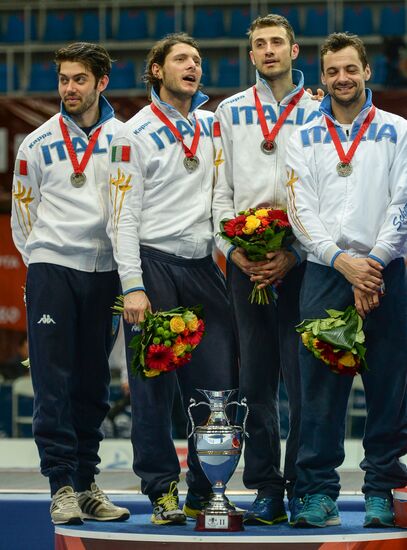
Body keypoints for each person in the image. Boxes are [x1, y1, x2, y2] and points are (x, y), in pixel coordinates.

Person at [108, 33, 238, 525]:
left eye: (198, 60)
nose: (193, 66)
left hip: (205, 266)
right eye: (182, 58)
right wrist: (133, 284)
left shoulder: (213, 125)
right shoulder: (131, 132)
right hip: (153, 266)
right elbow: (123, 216)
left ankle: (206, 490)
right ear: (157, 70)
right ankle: (161, 490)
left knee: (217, 388)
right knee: (152, 388)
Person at [286, 32, 407, 528]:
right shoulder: (302, 136)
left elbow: (403, 202)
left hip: (386, 271)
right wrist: (342, 262)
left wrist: (372, 263)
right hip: (325, 272)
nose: (342, 78)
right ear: (322, 76)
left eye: (350, 69)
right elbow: (299, 210)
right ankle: (316, 493)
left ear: (366, 72)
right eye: (333, 71)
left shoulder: (398, 130)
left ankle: (381, 488)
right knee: (319, 390)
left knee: (389, 386)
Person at [11, 42, 130, 526]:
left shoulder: (125, 138)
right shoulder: (36, 142)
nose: (69, 88)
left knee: (94, 384)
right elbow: (24, 216)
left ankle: (86, 483)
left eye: (79, 79)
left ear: (101, 83)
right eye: (63, 79)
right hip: (53, 269)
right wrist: (45, 259)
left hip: (105, 273)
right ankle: (60, 484)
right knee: (53, 382)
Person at [212, 14, 321, 526]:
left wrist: (295, 252)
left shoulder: (321, 109)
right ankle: (265, 488)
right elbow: (219, 194)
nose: (269, 50)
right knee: (256, 380)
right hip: (246, 262)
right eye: (260, 44)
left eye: (278, 42)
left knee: (303, 380)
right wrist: (233, 251)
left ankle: (302, 483)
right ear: (250, 55)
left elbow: (330, 193)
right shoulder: (228, 113)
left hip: (306, 261)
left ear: (295, 51)